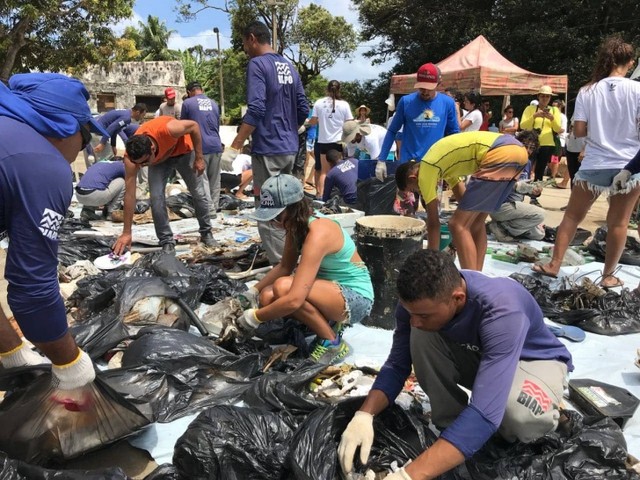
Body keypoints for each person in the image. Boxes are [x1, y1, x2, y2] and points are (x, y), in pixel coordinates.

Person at [338, 249, 572, 480]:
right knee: (419, 334)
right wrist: (364, 415)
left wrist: (408, 476)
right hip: (483, 356)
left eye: (424, 315)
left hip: (533, 359)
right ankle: (453, 431)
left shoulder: (501, 312)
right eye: (411, 312)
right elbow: (397, 365)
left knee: (517, 415)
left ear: (458, 299)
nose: (414, 320)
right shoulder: (419, 306)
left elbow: (485, 413)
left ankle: (550, 414)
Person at [0, 73, 110, 398]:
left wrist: (12, 352)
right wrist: (70, 362)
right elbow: (32, 291)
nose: (84, 146)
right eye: (85, 133)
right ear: (63, 125)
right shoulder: (42, 165)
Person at [532, 36, 640, 288]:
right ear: (630, 62)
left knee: (572, 216)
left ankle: (554, 264)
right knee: (619, 222)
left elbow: (578, 131)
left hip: (594, 162)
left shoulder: (588, 90)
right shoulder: (637, 90)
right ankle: (608, 275)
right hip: (629, 164)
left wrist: (600, 130)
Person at [238, 174, 373, 365]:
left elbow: (294, 300)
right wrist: (253, 292)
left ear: (293, 209)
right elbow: (285, 266)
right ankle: (322, 324)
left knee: (284, 288)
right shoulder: (296, 226)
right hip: (328, 290)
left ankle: (332, 342)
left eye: (276, 216)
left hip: (355, 297)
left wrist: (254, 318)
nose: (272, 222)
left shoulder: (318, 233)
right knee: (267, 296)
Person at [220, 21, 308, 264]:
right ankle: (295, 259)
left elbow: (256, 109)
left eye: (244, 43)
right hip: (289, 148)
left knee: (269, 213)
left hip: (268, 150)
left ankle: (282, 270)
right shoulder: (289, 67)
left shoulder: (257, 64)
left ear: (252, 38)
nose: (244, 48)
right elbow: (303, 107)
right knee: (288, 208)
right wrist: (290, 128)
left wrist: (235, 145)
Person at [395, 130, 537, 270]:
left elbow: (433, 224)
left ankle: (471, 282)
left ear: (413, 178)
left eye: (414, 189)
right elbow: (465, 201)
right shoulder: (442, 164)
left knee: (457, 225)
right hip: (518, 152)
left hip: (499, 153)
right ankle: (478, 275)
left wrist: (432, 265)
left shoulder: (426, 169)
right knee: (476, 223)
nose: (418, 192)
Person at [111, 115, 216, 255]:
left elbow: (194, 126)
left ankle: (206, 233)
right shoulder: (131, 159)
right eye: (138, 163)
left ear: (152, 148)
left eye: (144, 162)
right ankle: (166, 241)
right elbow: (130, 195)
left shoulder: (170, 129)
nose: (141, 166)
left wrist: (199, 157)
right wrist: (126, 232)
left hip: (184, 152)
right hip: (159, 161)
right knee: (156, 198)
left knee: (198, 193)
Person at [375, 62, 459, 181]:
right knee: (407, 199)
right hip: (408, 165)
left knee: (431, 199)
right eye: (421, 87)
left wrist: (458, 161)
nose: (424, 91)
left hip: (435, 163)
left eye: (429, 88)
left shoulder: (447, 103)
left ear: (438, 84)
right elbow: (392, 130)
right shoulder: (406, 102)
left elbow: (454, 134)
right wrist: (382, 159)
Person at [181, 81, 223, 214]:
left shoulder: (188, 103)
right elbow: (217, 125)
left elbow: (183, 126)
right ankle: (214, 207)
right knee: (215, 179)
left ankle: (208, 210)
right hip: (216, 144)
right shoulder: (214, 103)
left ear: (188, 92)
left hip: (199, 146)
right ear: (202, 89)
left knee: (201, 179)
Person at [309, 80, 353, 197]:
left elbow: (313, 122)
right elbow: (349, 124)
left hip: (323, 141)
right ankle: (337, 195)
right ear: (339, 90)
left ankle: (321, 195)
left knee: (323, 171)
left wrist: (308, 122)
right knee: (339, 170)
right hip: (338, 142)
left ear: (327, 89)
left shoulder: (318, 103)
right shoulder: (344, 105)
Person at [488, 157, 546, 242]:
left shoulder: (528, 163)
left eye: (532, 148)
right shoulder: (507, 160)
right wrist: (515, 186)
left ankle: (502, 226)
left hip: (516, 208)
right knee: (540, 214)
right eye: (526, 146)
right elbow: (494, 185)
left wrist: (534, 192)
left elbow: (526, 187)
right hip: (502, 205)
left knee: (539, 235)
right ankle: (502, 227)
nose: (528, 150)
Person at [520, 86, 563, 183]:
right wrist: (534, 116)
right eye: (543, 96)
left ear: (550, 98)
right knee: (526, 168)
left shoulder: (554, 110)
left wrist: (552, 119)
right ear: (538, 96)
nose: (545, 99)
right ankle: (522, 190)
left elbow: (558, 129)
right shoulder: (530, 109)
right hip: (531, 143)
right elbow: (523, 126)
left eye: (547, 96)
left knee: (540, 171)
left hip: (547, 144)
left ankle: (535, 195)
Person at [84, 103, 147, 167]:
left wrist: (113, 145)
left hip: (97, 132)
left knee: (99, 158)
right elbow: (111, 128)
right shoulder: (126, 117)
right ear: (138, 112)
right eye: (143, 115)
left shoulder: (126, 113)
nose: (142, 118)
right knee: (107, 159)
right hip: (98, 133)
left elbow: (115, 130)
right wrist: (102, 143)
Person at [76, 157, 126, 221]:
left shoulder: (99, 164)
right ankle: (112, 212)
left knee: (95, 183)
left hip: (79, 195)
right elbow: (130, 185)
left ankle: (87, 210)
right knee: (122, 181)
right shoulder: (121, 165)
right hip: (95, 196)